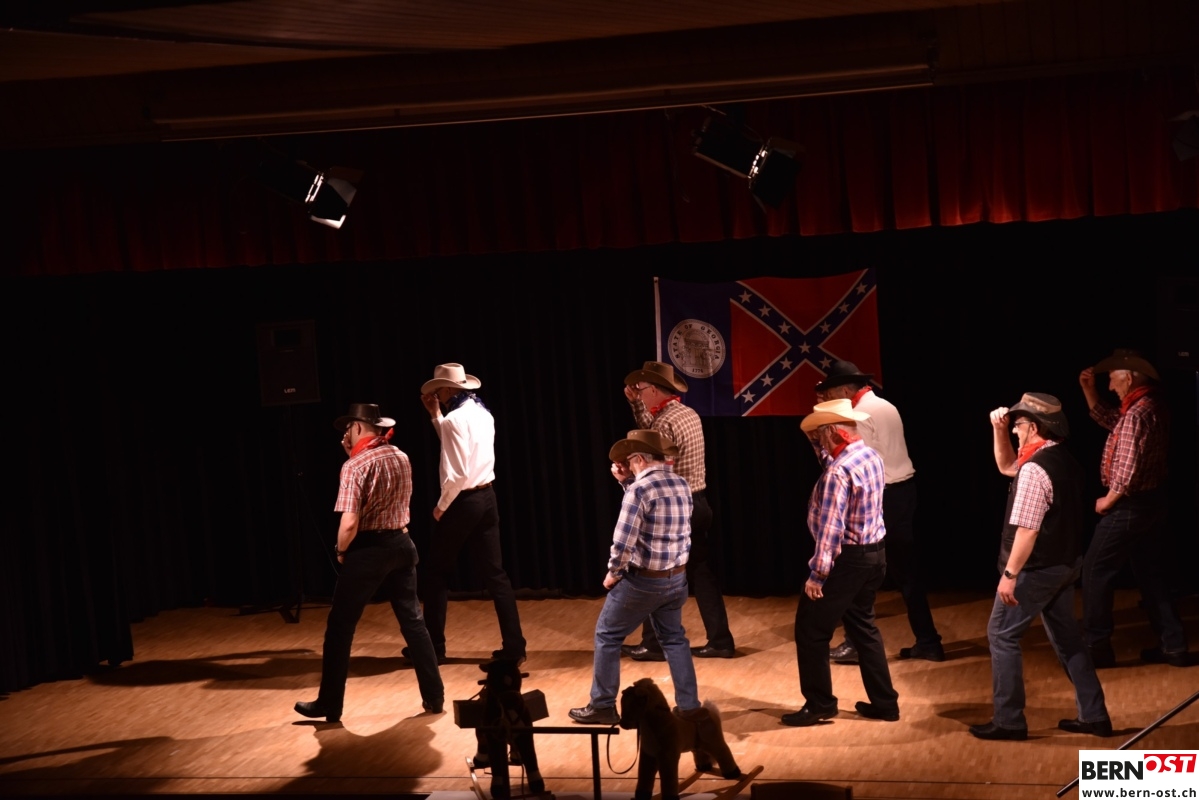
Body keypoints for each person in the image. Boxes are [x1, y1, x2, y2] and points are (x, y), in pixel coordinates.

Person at [970, 393, 1111, 740]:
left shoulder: (1035, 469)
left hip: (1037, 569)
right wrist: (998, 430)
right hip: (1064, 564)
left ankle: (1009, 720)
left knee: (1001, 635)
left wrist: (1010, 575)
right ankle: (1094, 715)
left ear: (1033, 427)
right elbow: (1007, 467)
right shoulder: (1061, 458)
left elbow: (1028, 531)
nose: (1014, 430)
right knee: (1068, 639)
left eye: (1018, 425)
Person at [295, 403, 444, 723]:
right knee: (414, 623)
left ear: (359, 427)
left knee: (340, 627)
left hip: (369, 549)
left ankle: (329, 704)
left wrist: (341, 551)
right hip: (402, 544)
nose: (345, 435)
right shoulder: (401, 456)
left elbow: (350, 522)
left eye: (348, 428)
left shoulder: (355, 466)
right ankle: (435, 695)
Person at [569, 429, 703, 725]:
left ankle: (603, 705)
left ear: (640, 459)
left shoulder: (639, 490)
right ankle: (690, 707)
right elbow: (658, 518)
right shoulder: (681, 484)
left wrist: (613, 572)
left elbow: (623, 541)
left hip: (644, 582)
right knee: (674, 640)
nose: (627, 466)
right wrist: (626, 481)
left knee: (607, 635)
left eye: (629, 461)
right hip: (676, 579)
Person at [814, 360, 943, 664]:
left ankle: (856, 643)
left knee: (856, 570)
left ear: (844, 390)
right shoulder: (886, 405)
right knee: (906, 573)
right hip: (903, 492)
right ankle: (928, 641)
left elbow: (852, 462)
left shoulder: (860, 415)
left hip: (882, 497)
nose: (829, 398)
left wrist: (821, 440)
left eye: (831, 393)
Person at [785, 399, 899, 727]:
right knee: (863, 626)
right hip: (874, 555)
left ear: (833, 432)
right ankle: (885, 703)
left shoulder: (838, 472)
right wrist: (816, 440)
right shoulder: (869, 456)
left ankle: (820, 703)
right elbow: (833, 459)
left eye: (822, 433)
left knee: (811, 630)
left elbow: (831, 528)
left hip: (847, 561)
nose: (820, 439)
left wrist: (818, 574)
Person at [1078, 349, 1187, 668]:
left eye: (1113, 380)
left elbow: (1127, 467)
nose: (1111, 387)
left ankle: (1097, 647)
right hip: (1152, 502)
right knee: (1150, 573)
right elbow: (1115, 423)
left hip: (1131, 505)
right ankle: (1174, 645)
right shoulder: (1148, 405)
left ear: (1129, 377)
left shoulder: (1138, 412)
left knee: (1095, 570)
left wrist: (1109, 499)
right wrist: (1089, 391)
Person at [620, 361, 735, 661]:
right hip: (699, 502)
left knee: (655, 571)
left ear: (654, 390)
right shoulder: (687, 413)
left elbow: (658, 469)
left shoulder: (664, 423)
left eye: (641, 390)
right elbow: (653, 429)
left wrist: (629, 479)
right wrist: (637, 405)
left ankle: (654, 643)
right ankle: (721, 640)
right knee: (701, 572)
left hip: (677, 508)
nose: (638, 394)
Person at [418, 363, 526, 663]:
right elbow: (455, 445)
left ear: (447, 389)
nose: (437, 395)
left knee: (436, 573)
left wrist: (441, 506)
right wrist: (435, 415)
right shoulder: (481, 412)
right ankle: (515, 647)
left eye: (439, 390)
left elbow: (458, 473)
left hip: (463, 501)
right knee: (496, 575)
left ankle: (433, 648)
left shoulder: (455, 419)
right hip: (487, 497)